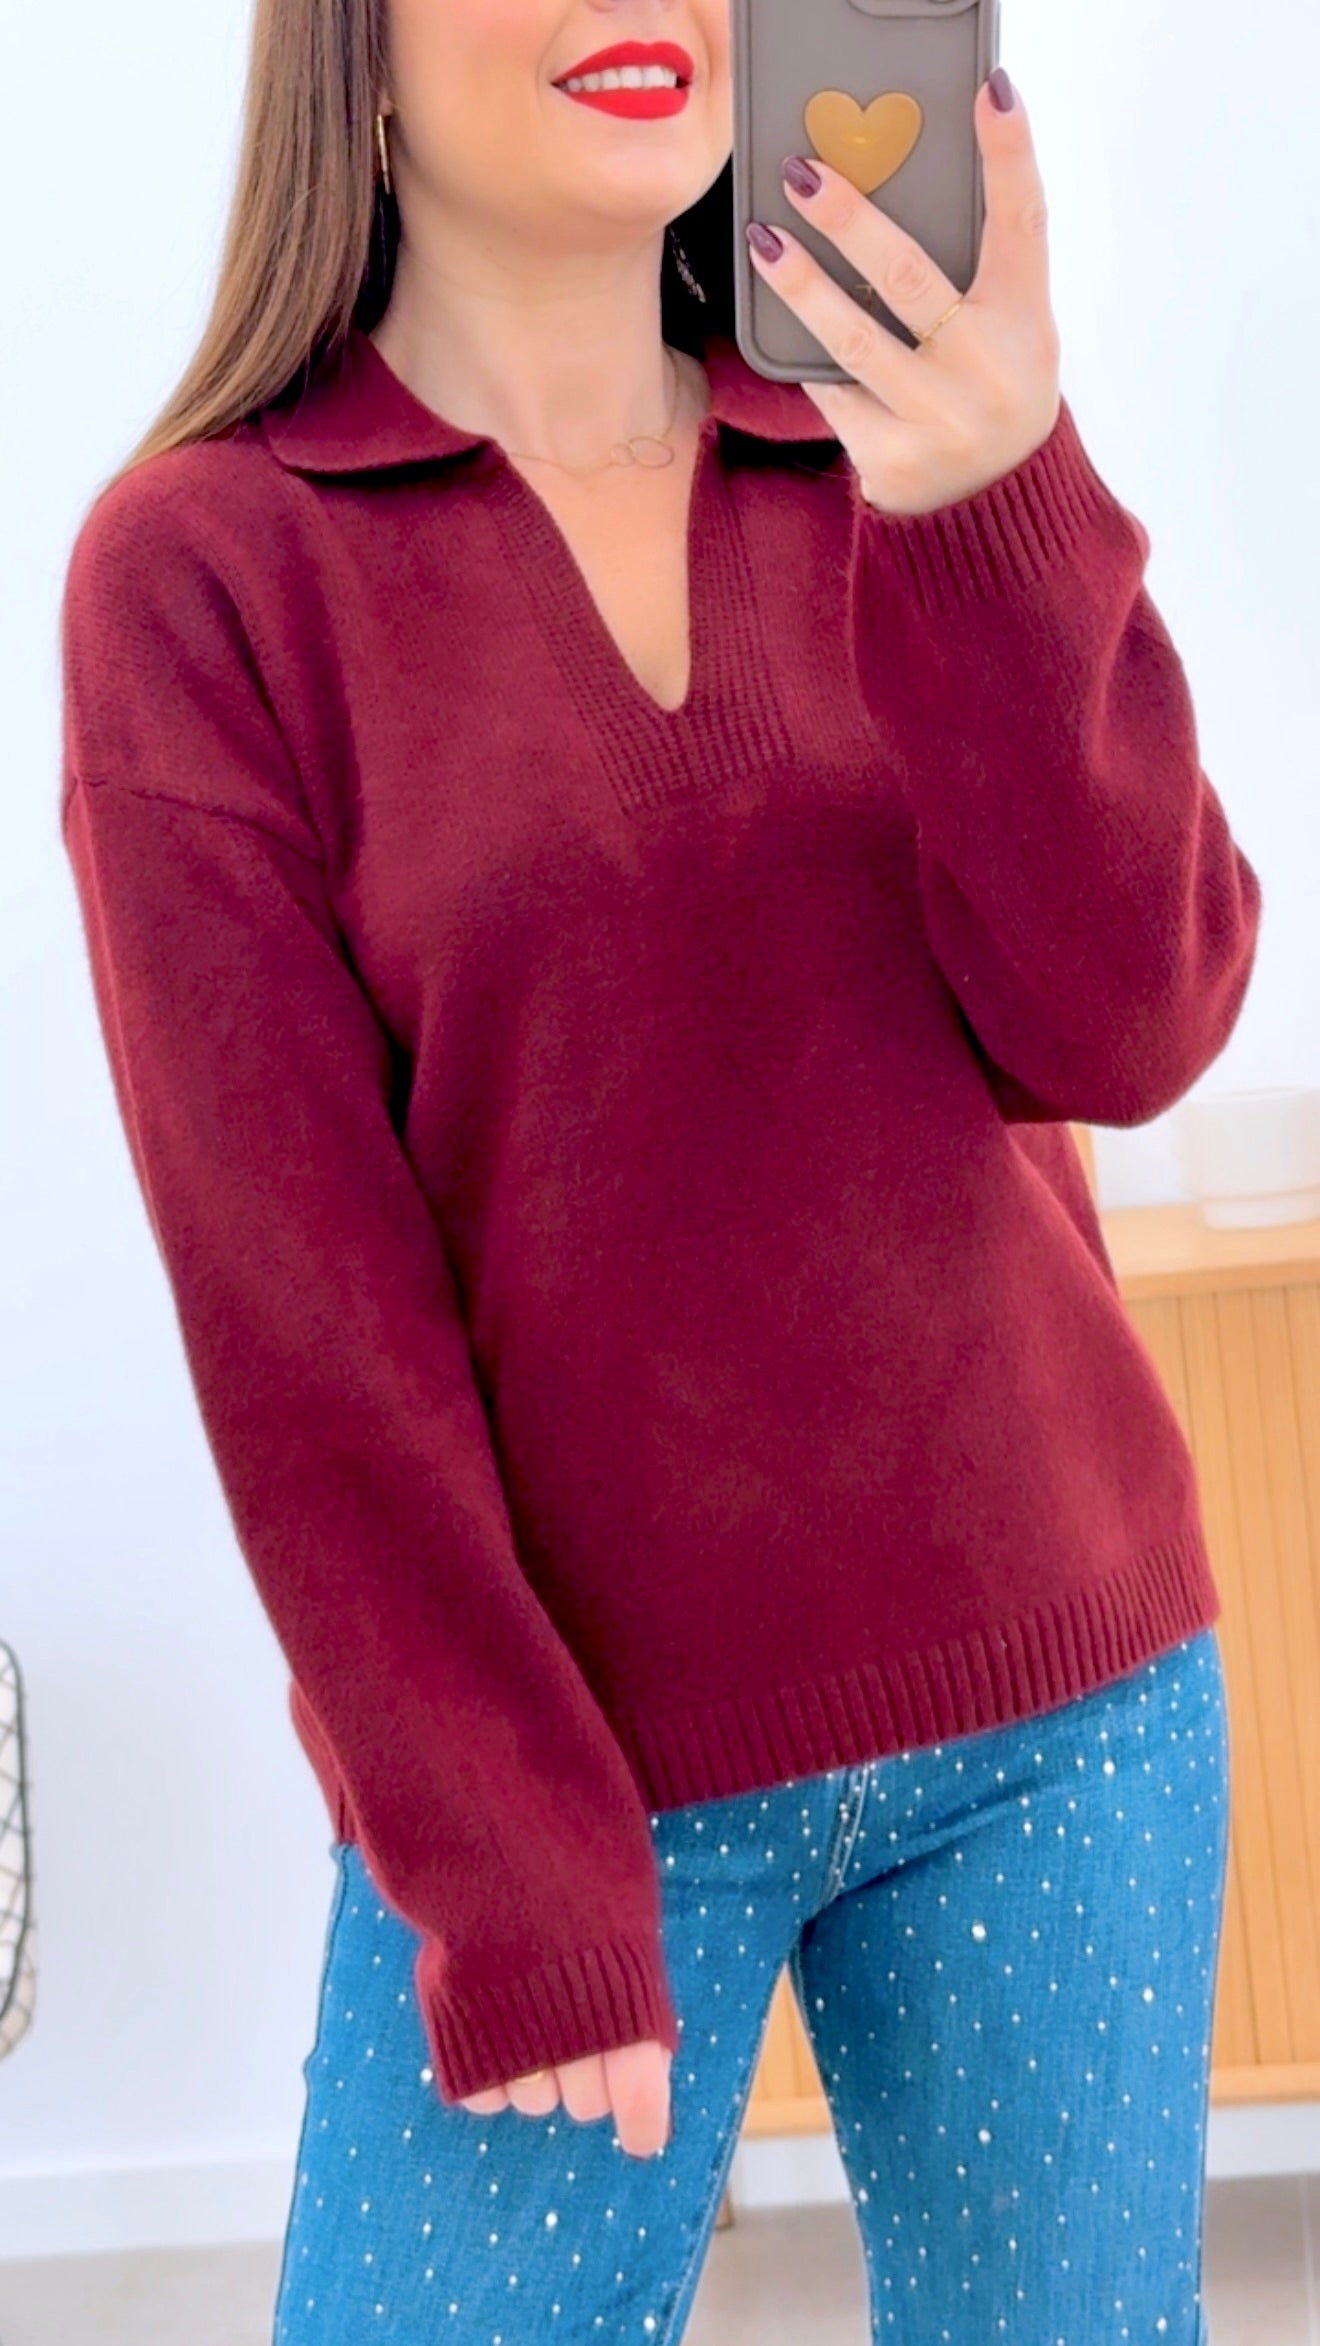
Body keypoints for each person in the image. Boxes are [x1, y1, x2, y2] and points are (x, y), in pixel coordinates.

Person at [58, 0, 1261, 2337]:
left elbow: (1139, 1023)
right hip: (574, 1786)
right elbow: (304, 1330)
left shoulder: (906, 445)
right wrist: (502, 1859)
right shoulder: (205, 574)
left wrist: (997, 488)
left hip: (1065, 1713)